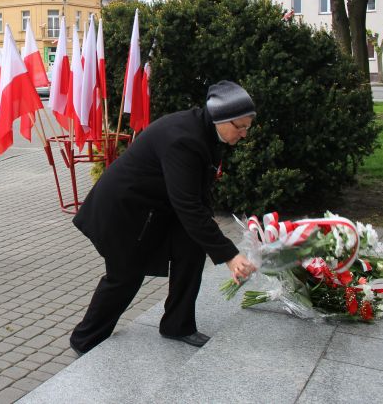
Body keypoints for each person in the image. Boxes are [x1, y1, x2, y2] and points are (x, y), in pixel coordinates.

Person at [69, 80, 258, 355]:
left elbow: (198, 192)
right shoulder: (185, 139)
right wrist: (230, 254)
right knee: (125, 276)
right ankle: (84, 340)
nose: (244, 134)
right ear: (220, 117)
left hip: (155, 207)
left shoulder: (208, 132)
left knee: (191, 247)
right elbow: (188, 205)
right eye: (240, 127)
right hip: (122, 209)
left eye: (247, 127)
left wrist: (213, 237)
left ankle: (177, 325)